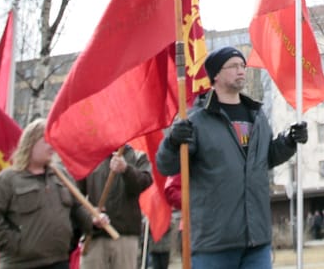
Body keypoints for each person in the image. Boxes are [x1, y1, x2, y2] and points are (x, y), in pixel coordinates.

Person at [155, 45, 307, 269]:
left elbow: (266, 157)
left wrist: (289, 140)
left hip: (257, 241)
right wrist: (172, 141)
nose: (241, 71)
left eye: (243, 66)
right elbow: (165, 165)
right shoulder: (197, 120)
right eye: (233, 66)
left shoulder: (257, 116)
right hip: (214, 244)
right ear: (215, 74)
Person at [0, 118, 105, 269]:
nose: (52, 146)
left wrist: (93, 222)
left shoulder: (61, 176)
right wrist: (19, 244)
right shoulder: (6, 181)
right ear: (31, 142)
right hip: (21, 265)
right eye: (46, 140)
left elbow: (77, 209)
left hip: (59, 262)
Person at [79, 144, 153, 268]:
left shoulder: (137, 155)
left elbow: (144, 183)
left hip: (125, 236)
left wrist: (126, 170)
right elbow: (75, 196)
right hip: (94, 237)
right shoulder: (88, 156)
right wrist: (90, 215)